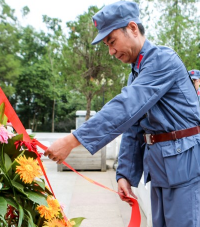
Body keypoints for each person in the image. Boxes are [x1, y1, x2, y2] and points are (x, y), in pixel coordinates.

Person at [44, 1, 200, 226]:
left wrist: (73, 140)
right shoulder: (137, 72)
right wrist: (125, 174)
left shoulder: (162, 60)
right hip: (162, 169)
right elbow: (133, 127)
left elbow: (126, 106)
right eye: (107, 45)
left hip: (183, 166)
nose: (111, 51)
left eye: (112, 41)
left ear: (133, 28)